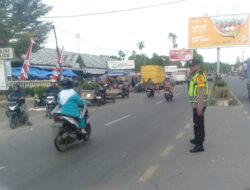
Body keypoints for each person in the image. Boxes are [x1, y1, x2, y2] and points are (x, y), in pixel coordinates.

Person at [187, 59, 208, 153]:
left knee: (199, 124)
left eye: (192, 66)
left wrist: (200, 107)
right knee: (196, 122)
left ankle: (199, 145)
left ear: (198, 66)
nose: (190, 67)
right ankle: (196, 139)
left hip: (200, 104)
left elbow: (200, 91)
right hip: (196, 104)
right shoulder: (195, 75)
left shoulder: (199, 76)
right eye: (190, 66)